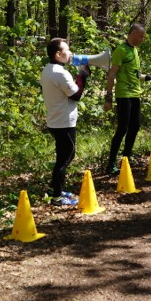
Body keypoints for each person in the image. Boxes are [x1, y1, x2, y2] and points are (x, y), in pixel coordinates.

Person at [40, 38, 91, 206]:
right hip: (64, 122)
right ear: (58, 54)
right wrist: (82, 77)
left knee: (64, 156)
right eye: (67, 50)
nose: (70, 53)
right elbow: (76, 95)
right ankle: (56, 196)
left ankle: (56, 189)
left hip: (56, 121)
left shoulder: (48, 69)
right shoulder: (60, 72)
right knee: (65, 158)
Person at [104, 23, 151, 175]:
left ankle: (126, 158)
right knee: (122, 128)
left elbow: (135, 75)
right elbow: (112, 74)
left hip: (136, 94)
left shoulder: (134, 51)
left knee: (135, 126)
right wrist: (108, 98)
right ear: (133, 33)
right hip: (124, 95)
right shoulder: (121, 50)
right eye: (141, 36)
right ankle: (111, 164)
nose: (143, 39)